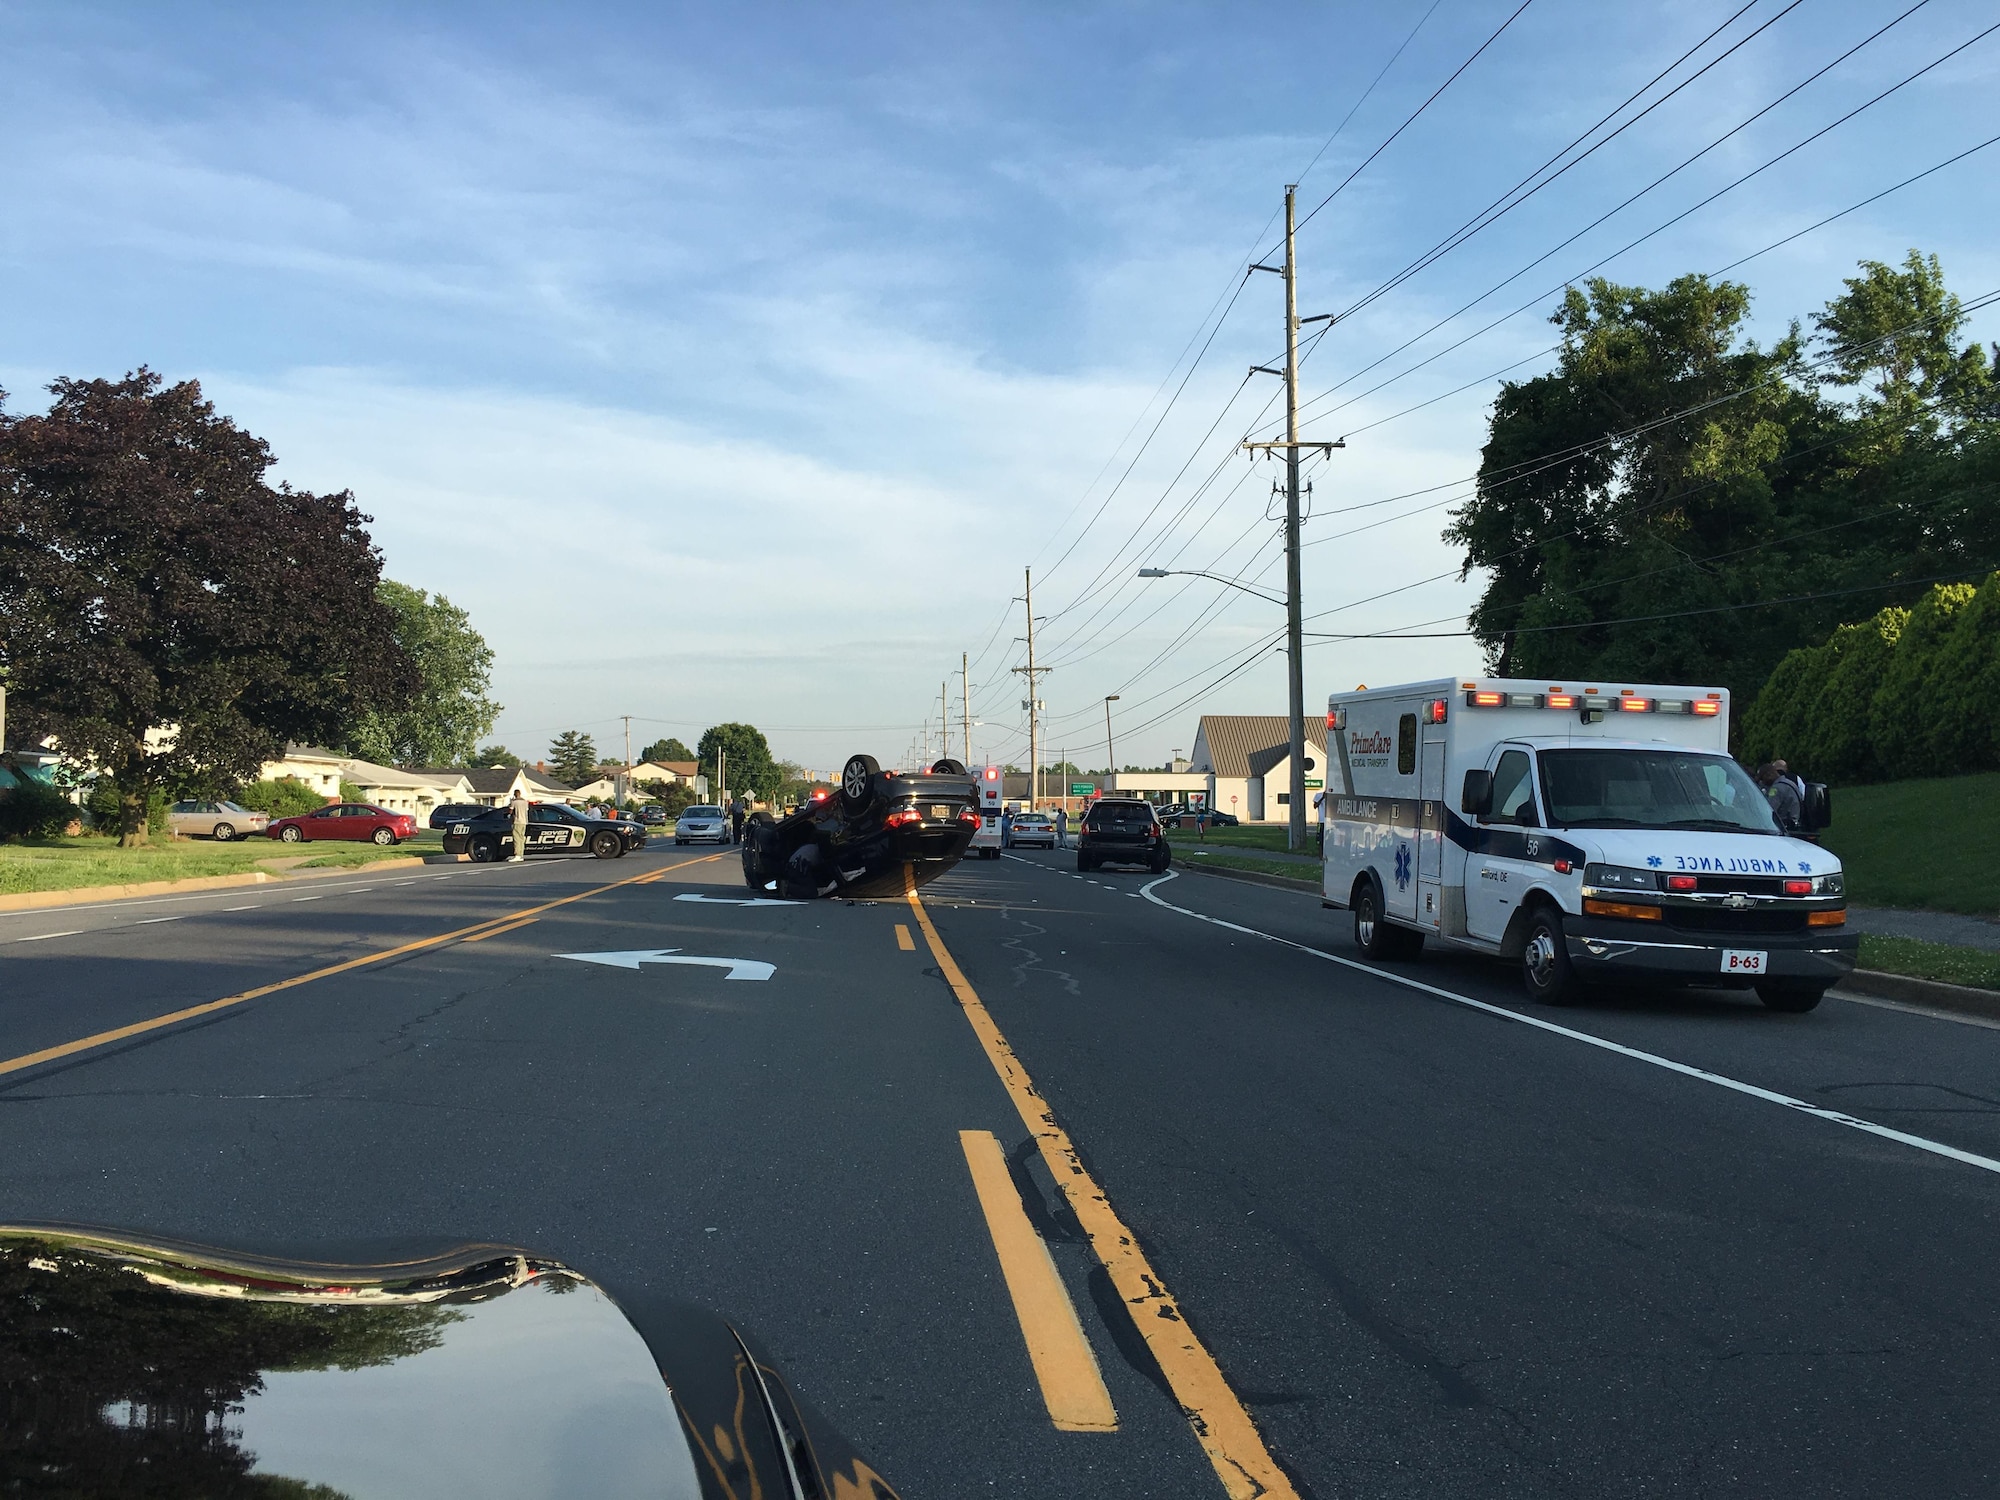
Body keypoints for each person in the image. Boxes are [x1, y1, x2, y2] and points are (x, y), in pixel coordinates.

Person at [1757, 762, 1801, 833]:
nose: (1762, 782)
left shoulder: (1776, 788)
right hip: (1794, 824)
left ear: (1769, 775)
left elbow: (1768, 810)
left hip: (1783, 827)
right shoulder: (1790, 783)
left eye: (1762, 779)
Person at [507, 788, 530, 863]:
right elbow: (526, 811)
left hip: (517, 821)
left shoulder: (514, 802)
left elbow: (510, 811)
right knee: (522, 838)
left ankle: (517, 855)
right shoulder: (525, 802)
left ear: (515, 794)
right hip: (524, 822)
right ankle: (521, 854)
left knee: (516, 838)